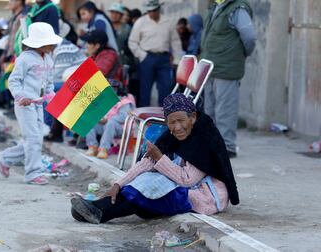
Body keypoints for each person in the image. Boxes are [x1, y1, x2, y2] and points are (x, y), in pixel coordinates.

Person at [70, 93, 239, 224]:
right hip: (188, 188)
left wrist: (159, 158)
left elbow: (187, 179)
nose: (177, 127)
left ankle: (100, 212)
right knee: (142, 181)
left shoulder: (204, 139)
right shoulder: (173, 134)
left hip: (205, 196)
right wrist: (118, 184)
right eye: (172, 122)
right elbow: (147, 162)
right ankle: (97, 209)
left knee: (147, 192)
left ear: (193, 117)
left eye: (181, 121)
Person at [0, 22, 62, 185]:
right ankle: (32, 173)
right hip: (24, 104)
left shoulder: (48, 59)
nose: (53, 44)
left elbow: (49, 82)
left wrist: (51, 95)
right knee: (33, 138)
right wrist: (20, 97)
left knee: (35, 137)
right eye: (50, 42)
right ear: (41, 43)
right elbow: (13, 80)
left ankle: (5, 158)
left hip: (39, 104)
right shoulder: (24, 59)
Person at [201, 0, 256, 158]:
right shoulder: (216, 8)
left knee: (225, 109)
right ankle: (212, 144)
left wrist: (239, 55)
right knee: (210, 109)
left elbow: (250, 38)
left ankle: (227, 147)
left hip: (227, 68)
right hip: (210, 67)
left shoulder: (238, 8)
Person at [68, 30, 123, 148]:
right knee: (70, 95)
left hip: (111, 92)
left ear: (97, 45)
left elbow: (98, 73)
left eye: (88, 43)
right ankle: (78, 135)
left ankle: (83, 139)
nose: (86, 46)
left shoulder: (108, 55)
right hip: (101, 89)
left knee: (81, 100)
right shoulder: (97, 55)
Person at [128, 0, 182, 106]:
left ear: (159, 9)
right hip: (147, 58)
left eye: (154, 10)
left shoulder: (168, 21)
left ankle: (164, 117)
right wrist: (142, 56)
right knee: (145, 90)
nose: (151, 13)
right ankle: (143, 118)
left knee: (165, 88)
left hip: (164, 58)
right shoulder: (141, 22)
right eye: (149, 11)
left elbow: (175, 41)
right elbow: (132, 42)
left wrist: (177, 59)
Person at [43, 38, 86, 142]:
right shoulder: (57, 47)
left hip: (82, 82)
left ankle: (53, 131)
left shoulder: (63, 49)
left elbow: (58, 77)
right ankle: (54, 131)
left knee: (47, 96)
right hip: (74, 80)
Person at [85, 79, 135, 159]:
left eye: (113, 88)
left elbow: (124, 117)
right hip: (106, 126)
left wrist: (107, 119)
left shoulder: (124, 101)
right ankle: (92, 147)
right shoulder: (104, 100)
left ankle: (103, 149)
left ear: (119, 89)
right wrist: (98, 118)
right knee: (90, 120)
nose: (111, 91)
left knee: (111, 123)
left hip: (121, 129)